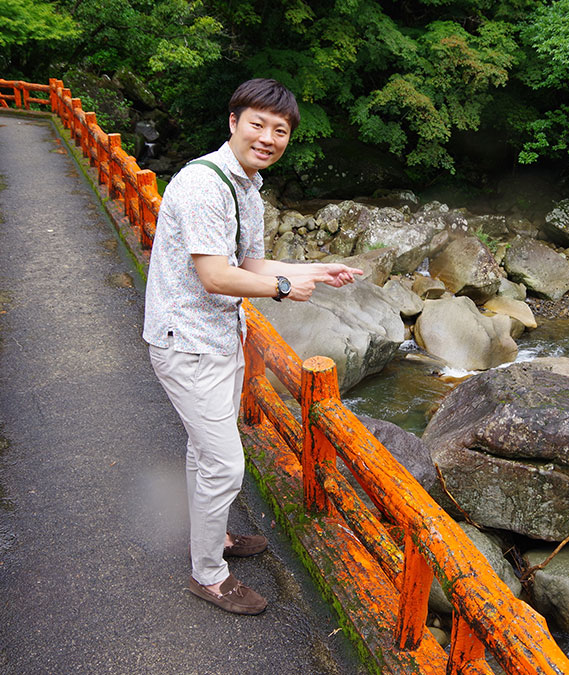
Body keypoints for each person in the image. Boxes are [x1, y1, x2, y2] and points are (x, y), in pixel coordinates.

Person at [143, 78, 362, 615]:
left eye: (279, 130)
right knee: (225, 465)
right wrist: (286, 287)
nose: (267, 136)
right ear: (234, 122)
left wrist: (316, 270)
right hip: (188, 341)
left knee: (205, 453)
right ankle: (208, 575)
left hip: (220, 337)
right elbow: (216, 276)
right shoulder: (202, 185)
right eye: (258, 124)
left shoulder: (247, 186)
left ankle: (212, 540)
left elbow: (250, 265)